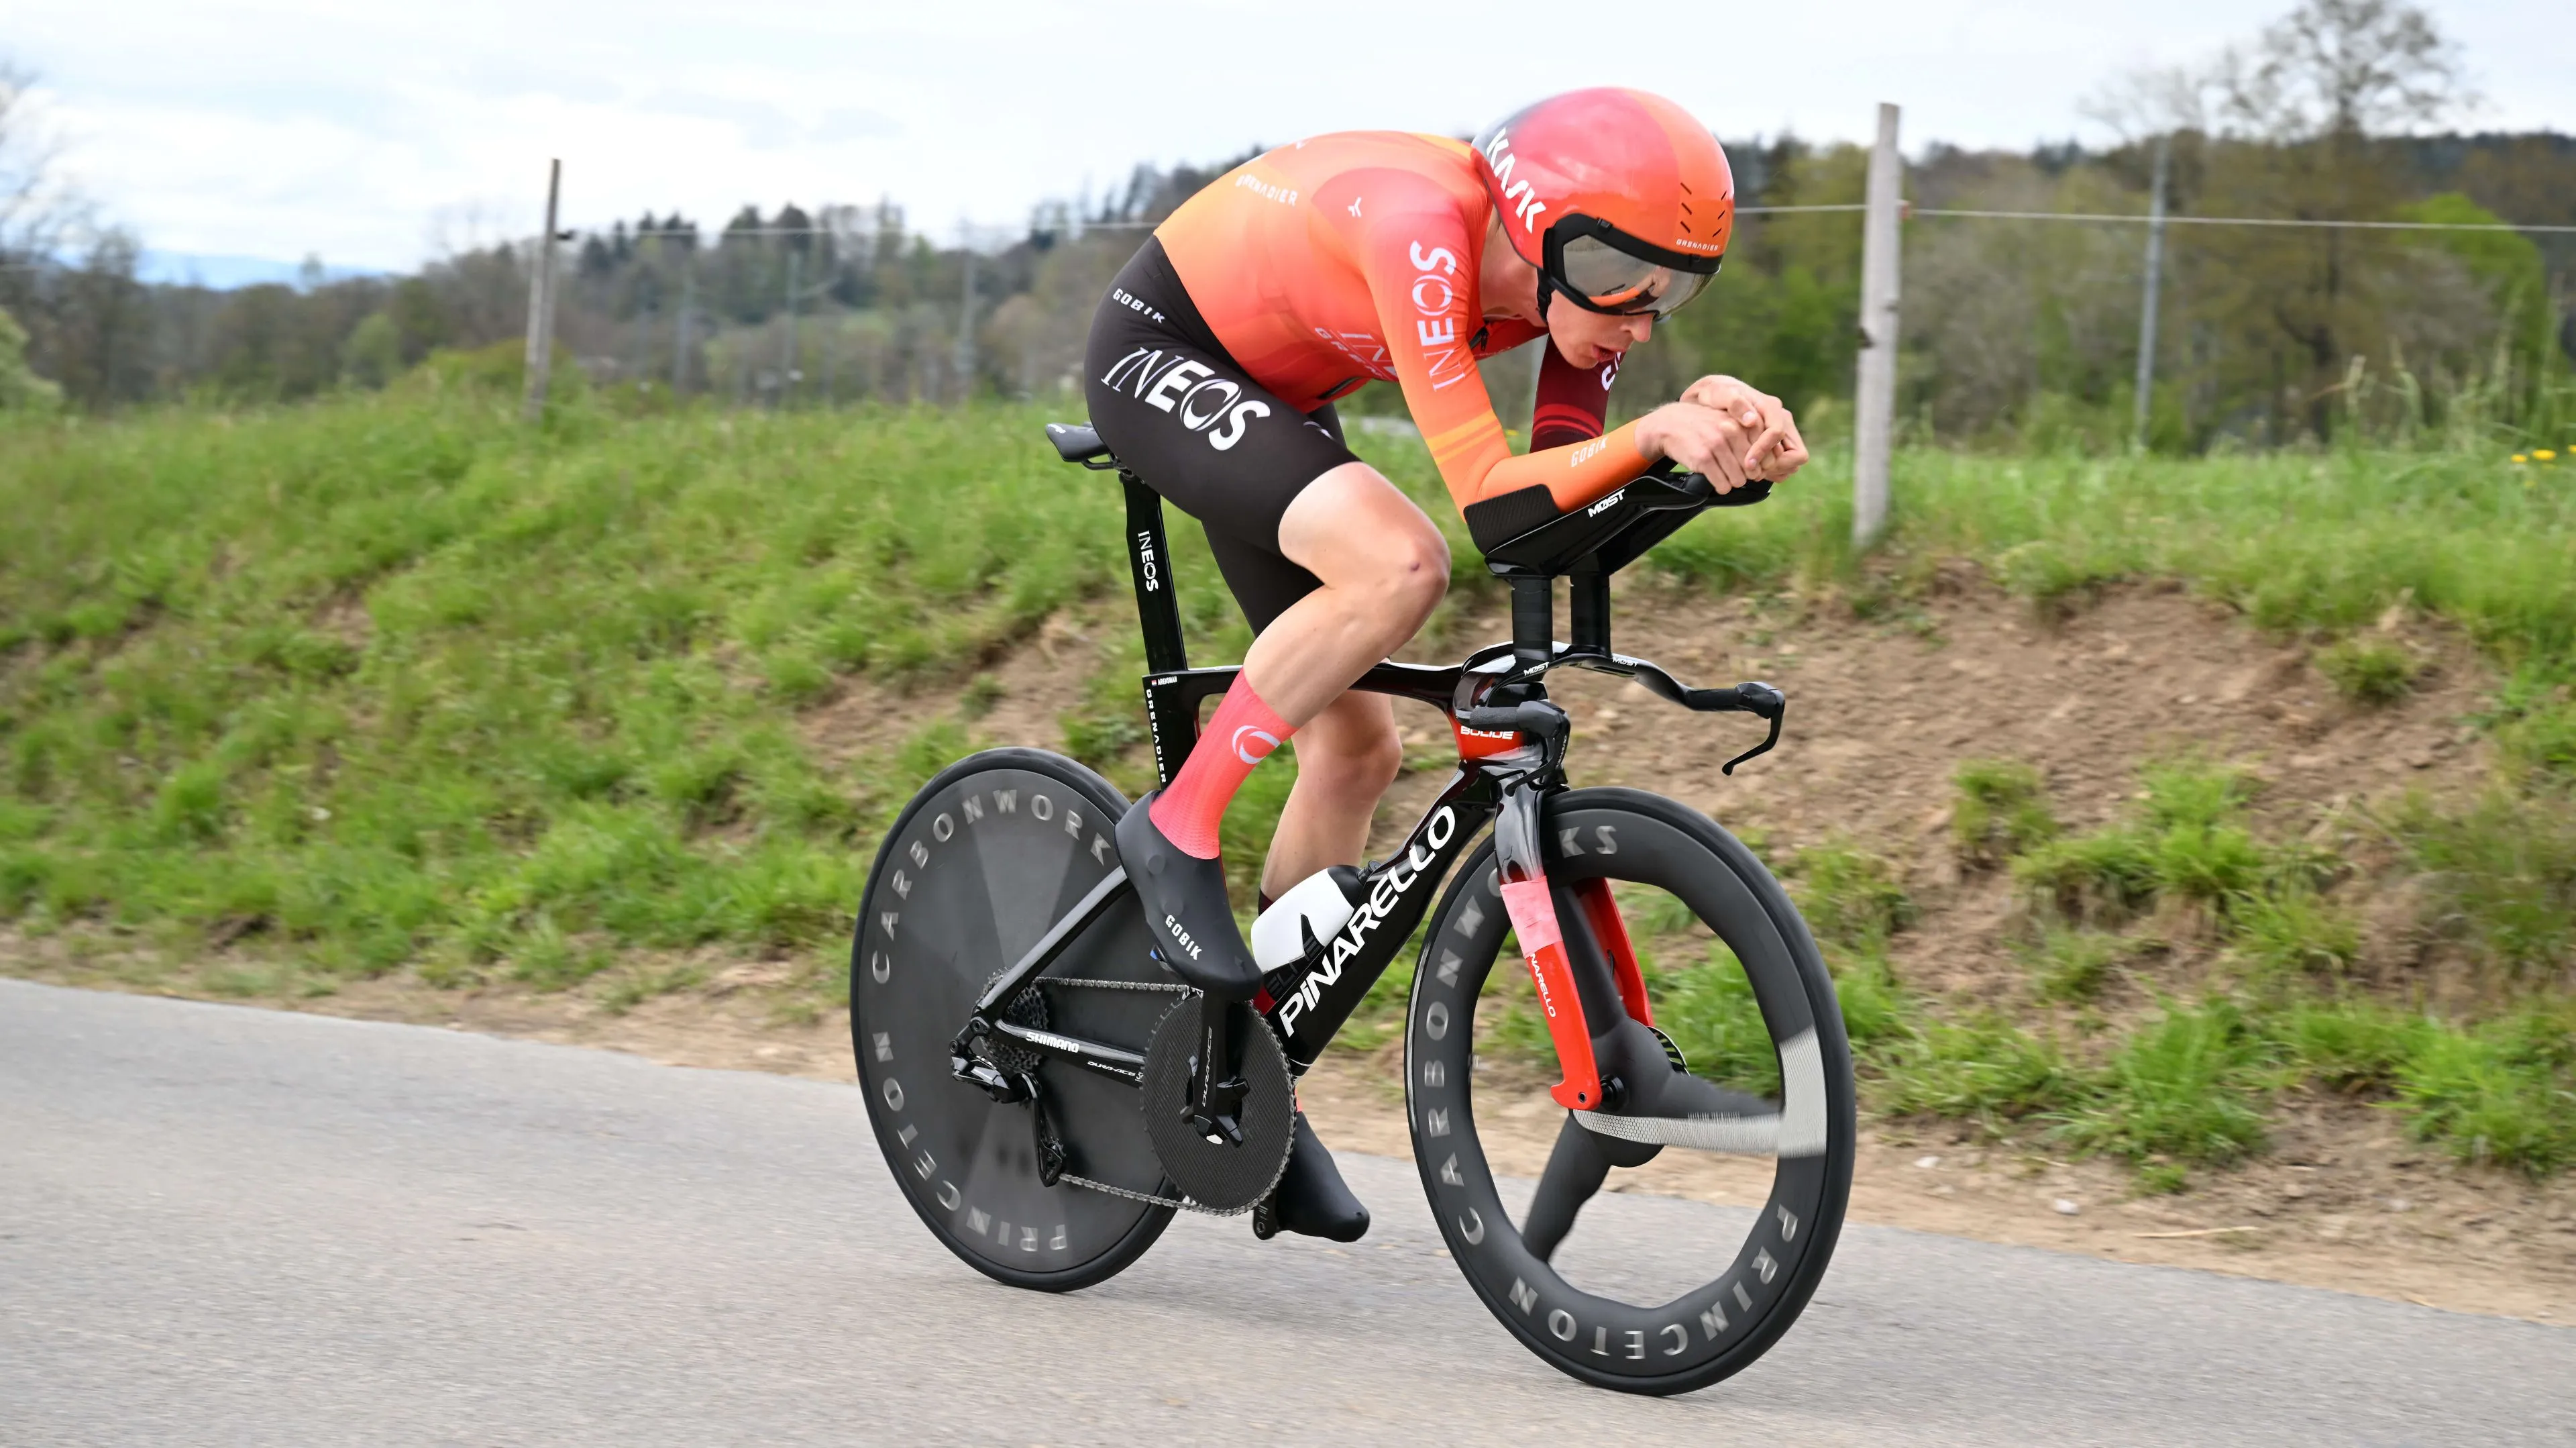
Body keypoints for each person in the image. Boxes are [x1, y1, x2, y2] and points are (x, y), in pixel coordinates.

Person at [1084, 88, 1810, 1241]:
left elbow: (1558, 492)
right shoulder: (1423, 229)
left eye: (1673, 288)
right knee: (1401, 566)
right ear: (1535, 226)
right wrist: (1654, 430)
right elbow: (1486, 504)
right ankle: (1178, 823)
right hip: (1164, 353)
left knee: (1357, 747)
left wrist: (1712, 445)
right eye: (1622, 275)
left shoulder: (1573, 293)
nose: (1641, 316)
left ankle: (1254, 1084)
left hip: (1281, 392)